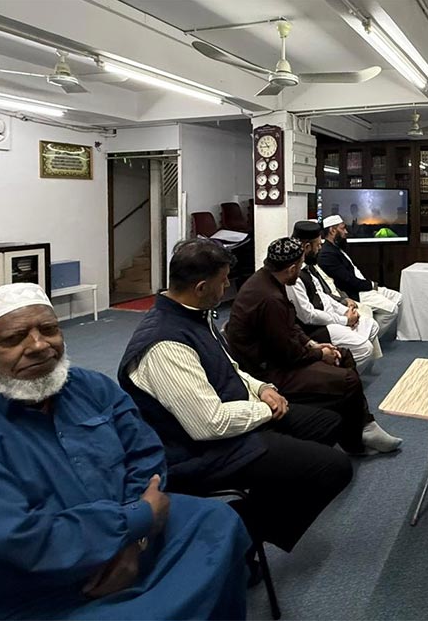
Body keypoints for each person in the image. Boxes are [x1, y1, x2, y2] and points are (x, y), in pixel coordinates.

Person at [0, 283, 250, 620]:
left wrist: (135, 541)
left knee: (216, 523)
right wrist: (136, 520)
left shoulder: (87, 386)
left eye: (49, 330)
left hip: (122, 532)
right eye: (15, 338)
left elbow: (144, 454)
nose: (38, 345)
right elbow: (20, 543)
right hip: (25, 584)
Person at [118, 239, 353, 554]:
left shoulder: (193, 314)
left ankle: (267, 498)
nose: (228, 286)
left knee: (326, 423)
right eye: (223, 280)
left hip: (235, 418)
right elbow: (209, 425)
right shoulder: (165, 344)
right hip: (198, 452)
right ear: (201, 287)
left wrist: (261, 389)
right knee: (335, 468)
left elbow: (229, 367)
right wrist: (265, 411)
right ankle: (233, 533)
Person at [227, 236, 402, 454]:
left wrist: (313, 345)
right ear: (291, 268)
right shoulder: (270, 298)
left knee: (344, 355)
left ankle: (360, 431)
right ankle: (360, 433)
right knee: (347, 380)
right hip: (266, 371)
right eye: (300, 266)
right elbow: (286, 353)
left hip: (276, 356)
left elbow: (290, 328)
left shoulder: (267, 280)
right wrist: (319, 355)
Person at [290, 220, 381, 371]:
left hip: (332, 316)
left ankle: (344, 367)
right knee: (365, 349)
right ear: (306, 247)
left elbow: (324, 295)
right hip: (317, 327)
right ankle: (340, 376)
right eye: (318, 245)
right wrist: (345, 320)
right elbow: (308, 316)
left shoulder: (309, 267)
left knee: (371, 326)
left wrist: (344, 310)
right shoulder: (295, 275)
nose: (320, 249)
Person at [317, 214, 402, 337]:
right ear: (332, 230)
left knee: (398, 298)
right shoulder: (326, 254)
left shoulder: (337, 248)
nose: (346, 232)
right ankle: (369, 338)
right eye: (343, 228)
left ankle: (371, 334)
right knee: (392, 310)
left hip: (363, 286)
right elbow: (347, 280)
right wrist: (371, 285)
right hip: (356, 292)